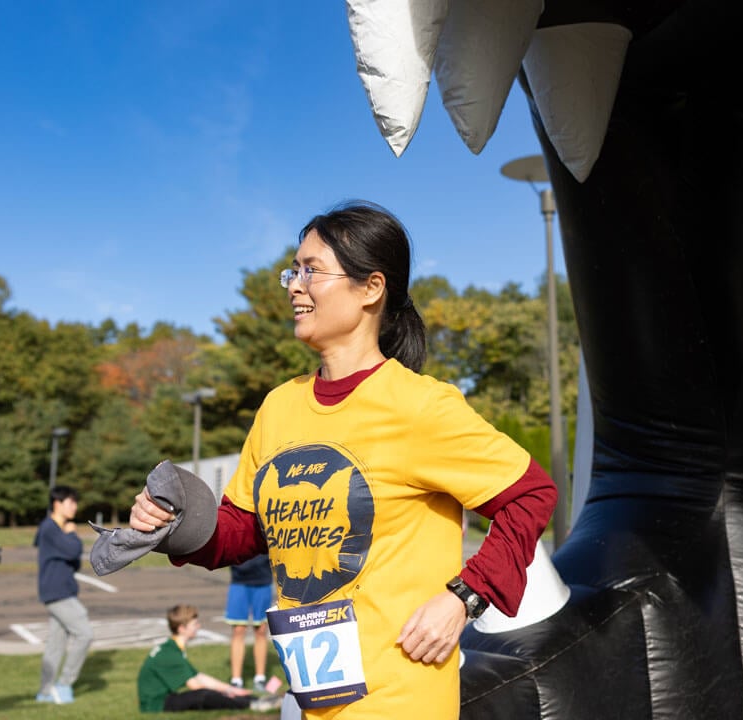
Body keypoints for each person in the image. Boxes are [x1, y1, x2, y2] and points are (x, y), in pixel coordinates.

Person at [127, 201, 557, 719]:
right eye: (293, 269)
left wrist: (464, 597)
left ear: (371, 288)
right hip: (308, 701)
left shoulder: (421, 405)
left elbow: (532, 494)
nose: (293, 285)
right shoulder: (278, 408)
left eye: (311, 270)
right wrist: (170, 525)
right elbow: (242, 531)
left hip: (400, 697)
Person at [138, 603, 282, 713]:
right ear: (182, 628)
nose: (198, 626)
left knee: (209, 692)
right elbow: (195, 686)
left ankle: (258, 700)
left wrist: (231, 689)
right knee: (203, 695)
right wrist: (226, 693)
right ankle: (254, 704)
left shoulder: (173, 647)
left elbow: (199, 677)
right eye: (194, 624)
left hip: (163, 699)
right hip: (155, 705)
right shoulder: (170, 653)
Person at [34, 485, 93, 705]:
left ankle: (45, 692)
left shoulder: (53, 529)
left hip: (57, 591)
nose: (75, 507)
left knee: (55, 644)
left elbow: (73, 562)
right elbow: (73, 551)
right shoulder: (51, 528)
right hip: (58, 593)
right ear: (57, 504)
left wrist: (69, 537)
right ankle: (64, 684)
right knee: (85, 634)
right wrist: (73, 535)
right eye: (71, 502)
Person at [226, 553, 273, 692]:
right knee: (238, 629)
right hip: (238, 581)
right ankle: (236, 681)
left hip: (263, 580)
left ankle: (260, 679)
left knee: (261, 630)